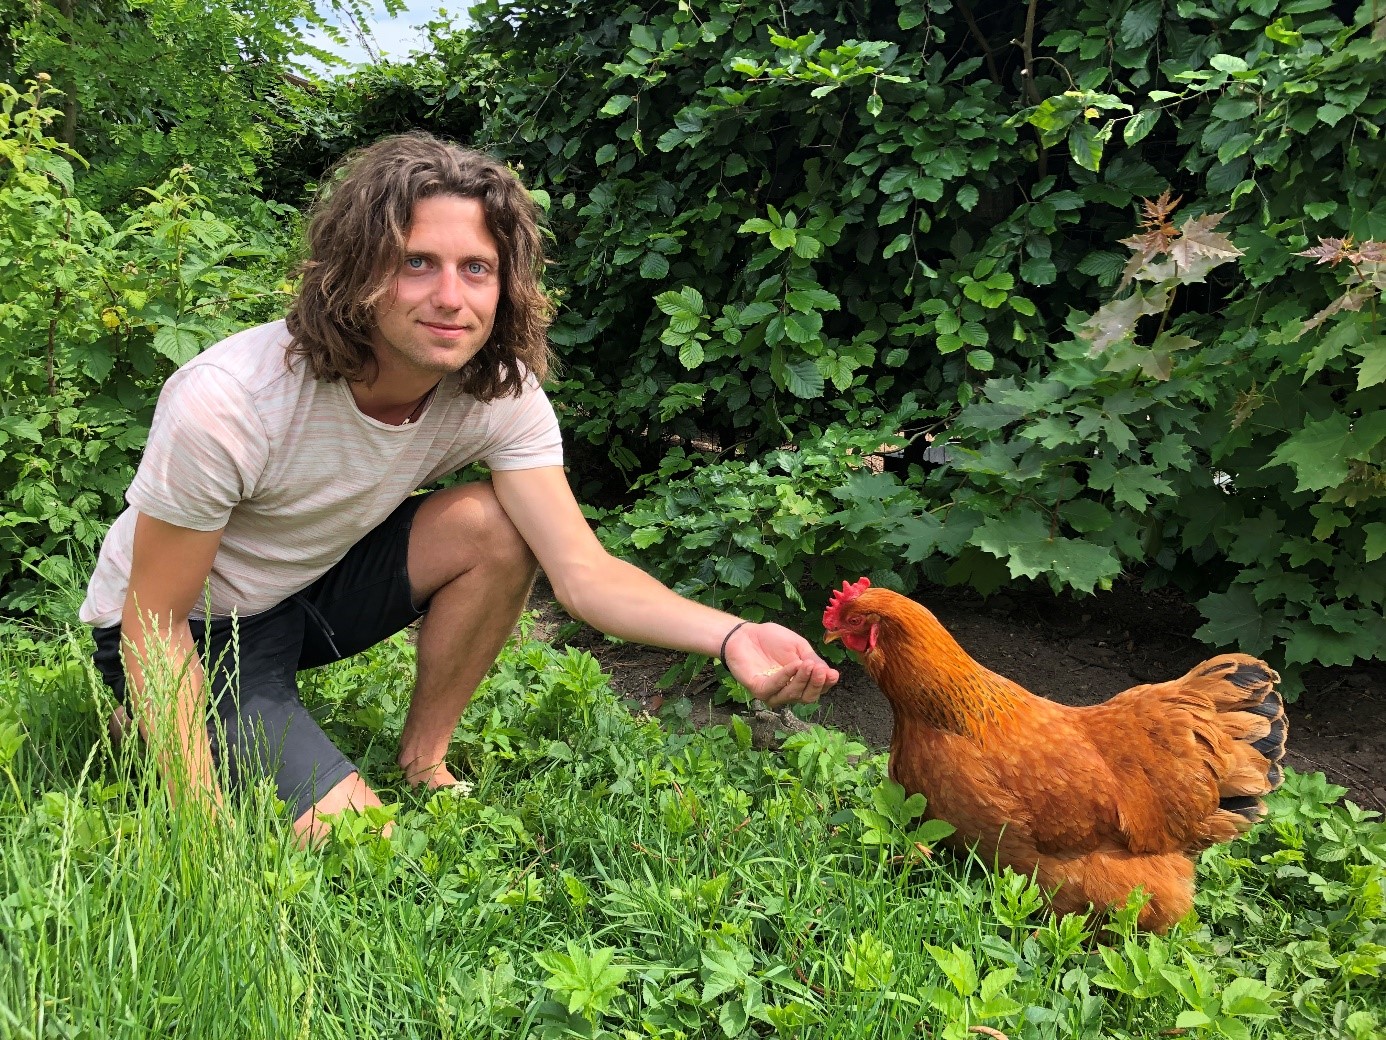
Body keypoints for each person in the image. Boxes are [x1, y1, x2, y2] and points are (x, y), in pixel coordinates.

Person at [80, 131, 838, 842]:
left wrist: (731, 634)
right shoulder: (231, 400)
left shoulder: (497, 393)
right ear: (356, 271)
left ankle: (422, 760)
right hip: (193, 626)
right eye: (417, 263)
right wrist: (202, 825)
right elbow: (153, 620)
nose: (452, 297)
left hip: (305, 593)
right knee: (361, 842)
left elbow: (584, 574)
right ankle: (166, 719)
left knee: (499, 524)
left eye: (476, 268)